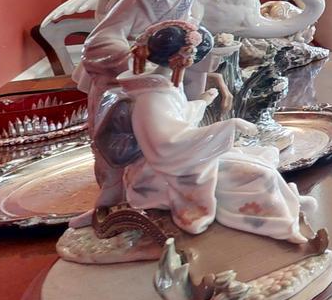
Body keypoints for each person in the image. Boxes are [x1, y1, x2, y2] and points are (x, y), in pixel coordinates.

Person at [71, 0, 222, 224]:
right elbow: (100, 43)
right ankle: (112, 206)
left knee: (161, 143)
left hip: (161, 84)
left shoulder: (187, 0)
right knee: (120, 149)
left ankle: (154, 202)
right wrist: (145, 57)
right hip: (123, 83)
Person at [118, 19, 314, 244]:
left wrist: (200, 102)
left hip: (186, 157)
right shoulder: (152, 98)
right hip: (169, 168)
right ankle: (282, 226)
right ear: (182, 57)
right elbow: (168, 143)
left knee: (261, 156)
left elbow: (178, 121)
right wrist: (230, 125)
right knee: (259, 174)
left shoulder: (165, 88)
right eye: (194, 57)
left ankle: (289, 203)